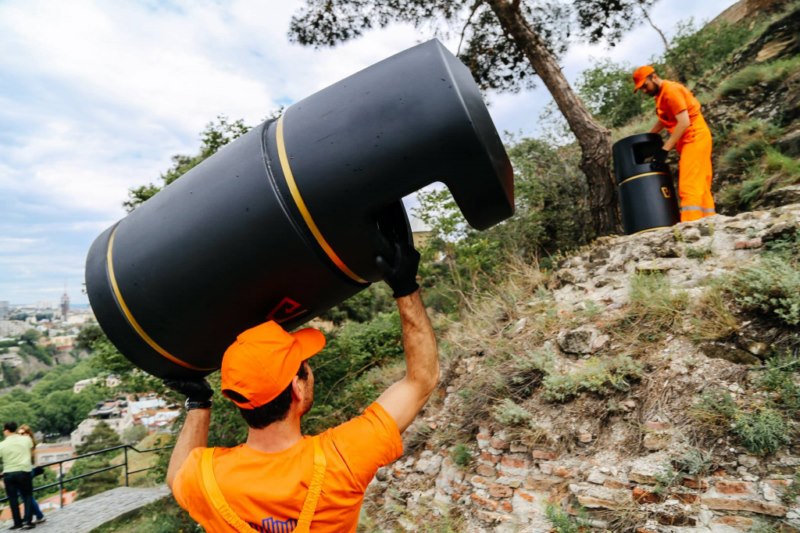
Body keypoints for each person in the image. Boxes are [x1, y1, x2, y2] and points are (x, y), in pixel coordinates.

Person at [166, 242, 438, 532]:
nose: (311, 372)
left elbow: (177, 476)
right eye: (305, 365)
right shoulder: (343, 459)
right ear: (297, 388)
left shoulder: (206, 479)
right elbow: (421, 381)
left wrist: (198, 405)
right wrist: (406, 288)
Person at [633, 65, 716, 222]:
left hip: (694, 138)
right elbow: (665, 119)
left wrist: (664, 150)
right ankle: (709, 223)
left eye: (645, 86)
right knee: (701, 184)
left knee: (689, 185)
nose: (644, 90)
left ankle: (690, 225)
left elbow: (684, 122)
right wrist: (648, 136)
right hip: (693, 139)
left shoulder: (671, 91)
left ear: (654, 77)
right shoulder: (661, 95)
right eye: (641, 89)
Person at [0, 422, 35, 529]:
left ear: (6, 431)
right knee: (27, 496)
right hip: (24, 471)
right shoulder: (26, 439)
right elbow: (31, 450)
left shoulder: (2, 444)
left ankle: (17, 523)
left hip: (9, 473)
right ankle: (27, 521)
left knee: (13, 499)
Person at [16, 425, 46, 524]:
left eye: (22, 433)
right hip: (27, 470)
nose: (20, 435)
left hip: (26, 470)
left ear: (28, 433)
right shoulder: (29, 444)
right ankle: (34, 515)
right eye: (19, 434)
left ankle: (37, 515)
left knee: (26, 495)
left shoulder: (28, 444)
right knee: (26, 495)